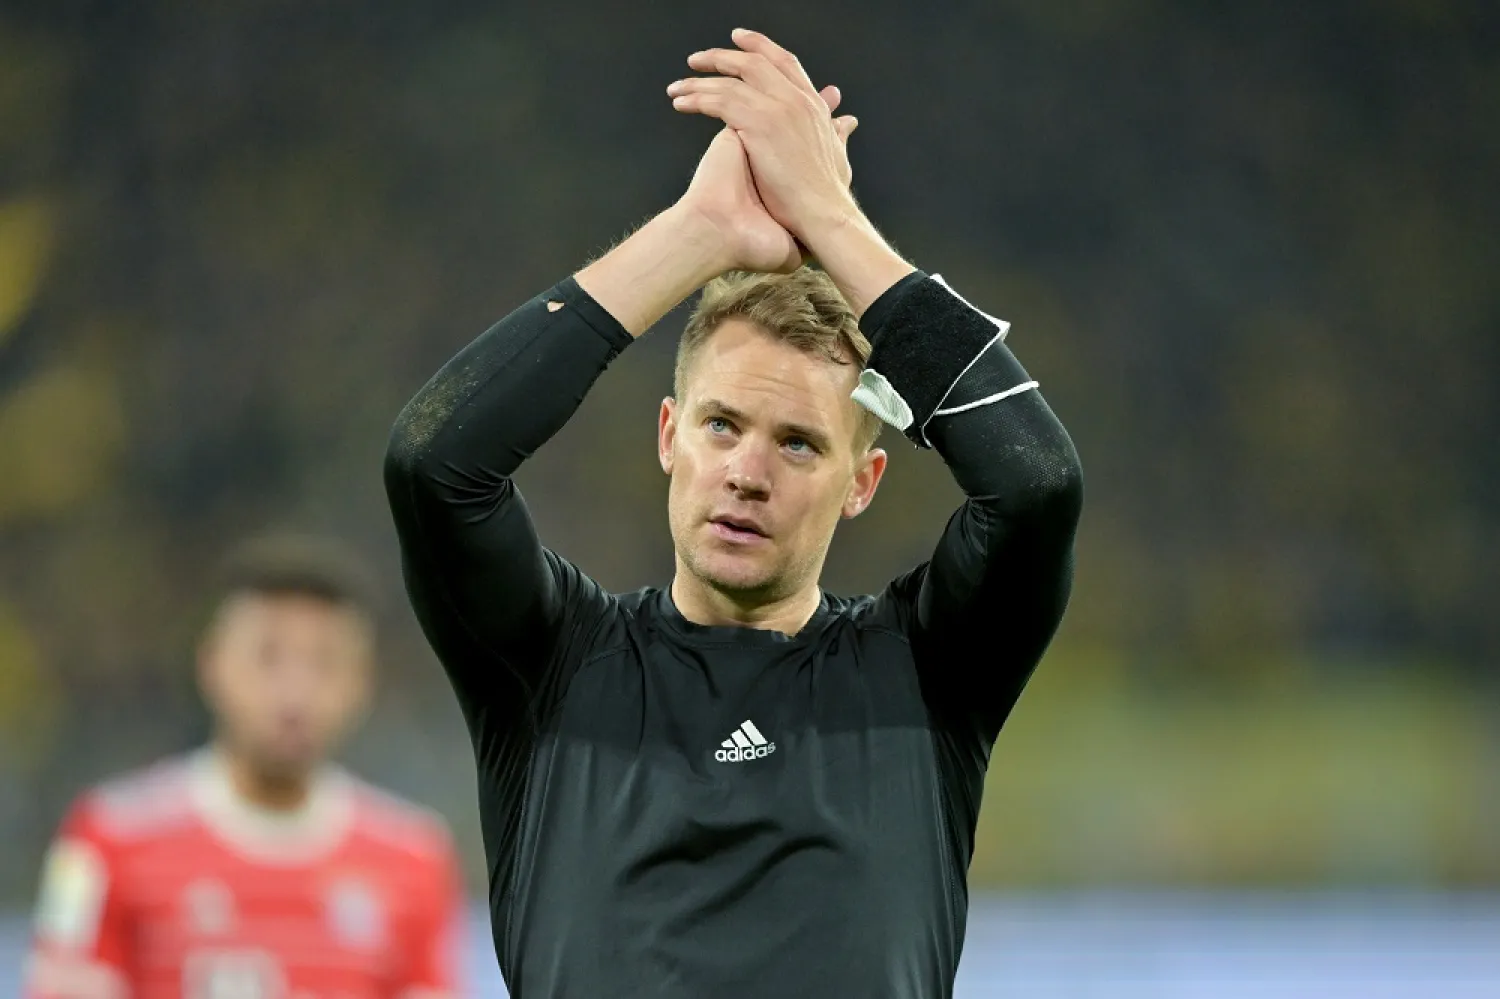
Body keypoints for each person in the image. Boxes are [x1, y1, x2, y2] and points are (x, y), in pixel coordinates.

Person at [385, 27, 1082, 998]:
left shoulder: (925, 671)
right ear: (669, 435)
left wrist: (831, 221)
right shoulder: (552, 666)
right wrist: (699, 231)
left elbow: (1036, 482)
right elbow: (434, 459)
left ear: (862, 481)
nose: (748, 471)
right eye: (722, 426)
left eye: (798, 443)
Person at [24, 536, 466, 999]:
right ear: (212, 665)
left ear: (362, 683)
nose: (295, 694)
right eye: (267, 657)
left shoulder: (416, 856)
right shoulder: (107, 837)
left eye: (325, 662)